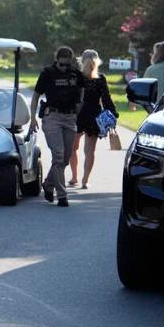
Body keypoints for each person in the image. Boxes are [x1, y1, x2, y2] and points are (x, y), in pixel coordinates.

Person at [29, 46, 85, 207]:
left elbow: (82, 91)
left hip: (69, 118)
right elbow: (36, 96)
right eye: (61, 64)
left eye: (67, 65)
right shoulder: (47, 73)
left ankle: (48, 183)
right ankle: (62, 195)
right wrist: (33, 118)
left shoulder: (75, 74)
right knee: (59, 156)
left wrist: (78, 107)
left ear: (71, 62)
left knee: (66, 158)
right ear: (56, 61)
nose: (64, 68)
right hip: (52, 117)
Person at [68, 49, 118, 189]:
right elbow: (106, 99)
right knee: (90, 151)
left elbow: (72, 97)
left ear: (81, 60)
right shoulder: (100, 78)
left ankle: (74, 177)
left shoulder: (76, 77)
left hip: (77, 115)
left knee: (73, 148)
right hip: (94, 116)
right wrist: (113, 113)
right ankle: (85, 180)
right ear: (98, 61)